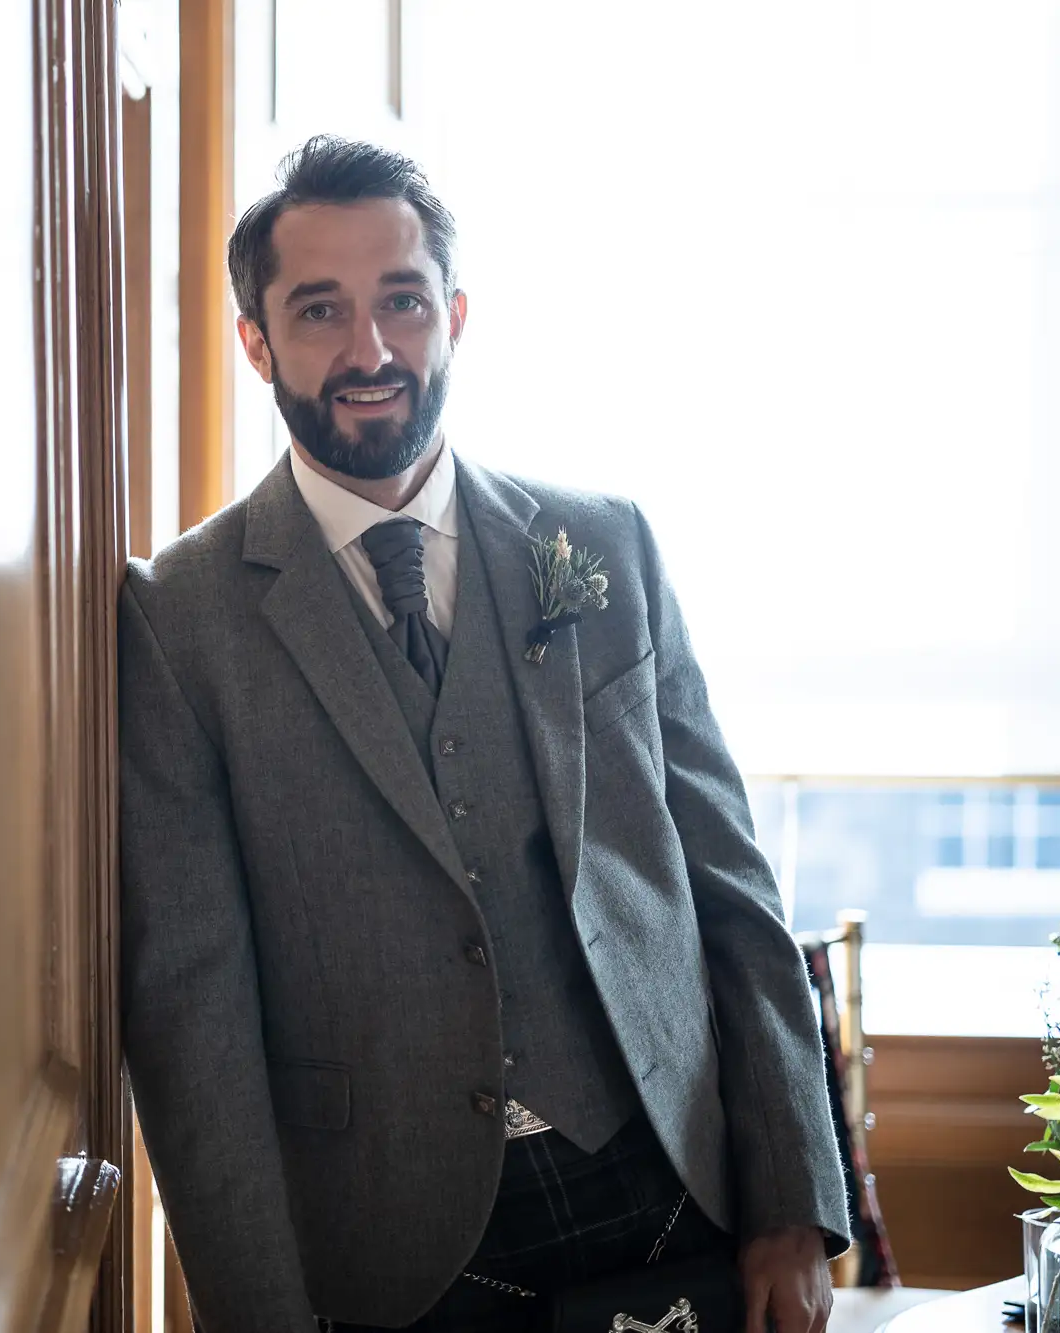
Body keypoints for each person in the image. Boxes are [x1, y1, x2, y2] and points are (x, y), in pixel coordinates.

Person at [117, 135, 849, 1333]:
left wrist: (788, 1203)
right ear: (255, 342)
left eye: (401, 301)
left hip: (672, 1194)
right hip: (394, 1254)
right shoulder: (178, 619)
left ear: (451, 313)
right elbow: (190, 1014)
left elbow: (729, 881)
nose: (370, 350)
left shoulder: (603, 543)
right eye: (319, 311)